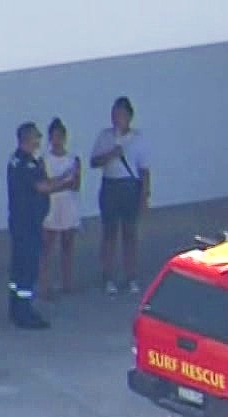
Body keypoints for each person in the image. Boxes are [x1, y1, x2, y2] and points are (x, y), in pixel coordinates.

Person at [90, 96, 150, 295]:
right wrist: (110, 154)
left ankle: (130, 275)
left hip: (129, 186)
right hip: (110, 186)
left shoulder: (138, 138)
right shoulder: (104, 136)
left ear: (129, 116)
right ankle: (108, 276)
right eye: (114, 114)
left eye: (121, 114)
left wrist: (144, 195)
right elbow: (94, 162)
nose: (117, 118)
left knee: (130, 233)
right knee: (109, 233)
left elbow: (144, 169)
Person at [5, 122, 54, 330]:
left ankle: (16, 307)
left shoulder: (16, 160)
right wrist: (66, 181)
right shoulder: (27, 163)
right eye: (36, 137)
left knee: (18, 270)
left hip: (20, 222)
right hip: (28, 224)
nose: (39, 140)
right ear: (27, 139)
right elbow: (41, 186)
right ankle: (25, 312)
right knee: (28, 268)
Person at [39, 118, 82, 297]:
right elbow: (44, 183)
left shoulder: (73, 159)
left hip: (68, 204)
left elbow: (76, 184)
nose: (57, 140)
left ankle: (67, 282)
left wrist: (58, 184)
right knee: (47, 246)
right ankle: (44, 284)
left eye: (60, 136)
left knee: (67, 245)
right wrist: (62, 181)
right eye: (53, 136)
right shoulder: (44, 160)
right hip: (51, 205)